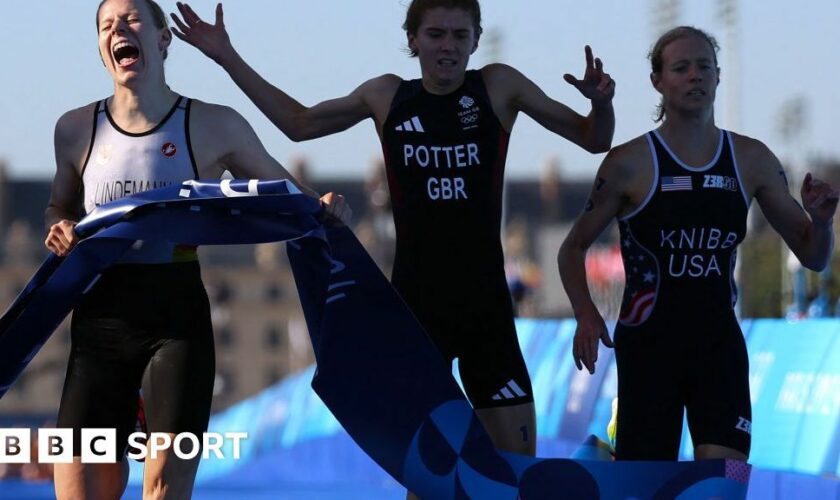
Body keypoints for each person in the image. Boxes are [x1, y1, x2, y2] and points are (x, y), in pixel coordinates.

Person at [169, 0, 614, 466]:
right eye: (436, 35)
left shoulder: (498, 86)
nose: (448, 47)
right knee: (429, 475)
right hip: (417, 313)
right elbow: (297, 124)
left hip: (487, 311)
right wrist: (226, 56)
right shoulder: (386, 97)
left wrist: (601, 105)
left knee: (514, 471)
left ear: (476, 41)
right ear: (413, 40)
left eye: (460, 36)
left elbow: (593, 138)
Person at [43, 1, 350, 498]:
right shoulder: (75, 128)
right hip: (99, 320)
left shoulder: (214, 126)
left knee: (164, 486)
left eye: (133, 19)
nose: (118, 29)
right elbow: (58, 206)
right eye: (106, 25)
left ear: (164, 40)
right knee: (78, 489)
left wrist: (326, 206)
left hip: (175, 318)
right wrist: (57, 226)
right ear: (102, 49)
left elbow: (288, 198)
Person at [558, 26, 838, 461]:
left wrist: (821, 223)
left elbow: (814, 257)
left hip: (718, 346)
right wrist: (585, 314)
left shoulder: (751, 159)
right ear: (658, 81)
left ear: (718, 76)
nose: (695, 76)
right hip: (649, 349)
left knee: (723, 486)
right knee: (647, 489)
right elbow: (571, 248)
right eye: (681, 67)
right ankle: (613, 450)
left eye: (704, 66)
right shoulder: (629, 164)